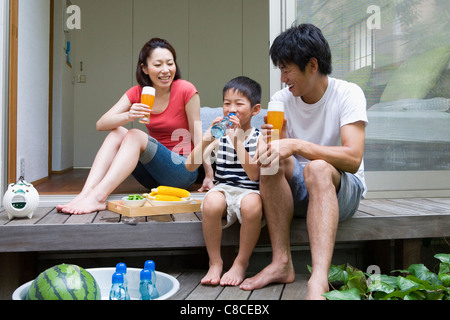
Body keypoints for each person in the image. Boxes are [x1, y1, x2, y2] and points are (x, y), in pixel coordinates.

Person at [240, 24, 368, 300]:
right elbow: (265, 161)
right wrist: (271, 145)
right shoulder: (280, 101)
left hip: (341, 190)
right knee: (272, 160)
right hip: (298, 193)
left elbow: (353, 158)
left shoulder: (348, 94)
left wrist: (297, 145)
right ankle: (281, 262)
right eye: (280, 69)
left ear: (312, 65)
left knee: (318, 168)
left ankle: (318, 278)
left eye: (287, 69)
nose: (283, 77)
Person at [57, 38, 214, 215]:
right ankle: (85, 194)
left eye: (170, 63)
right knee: (118, 132)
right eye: (158, 64)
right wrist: (129, 115)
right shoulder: (138, 92)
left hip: (182, 170)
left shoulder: (185, 89)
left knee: (134, 134)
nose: (165, 70)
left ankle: (98, 197)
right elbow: (101, 124)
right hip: (152, 177)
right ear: (144, 68)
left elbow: (197, 132)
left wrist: (208, 173)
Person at [185, 76, 264, 286]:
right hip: (224, 188)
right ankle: (215, 262)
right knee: (210, 203)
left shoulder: (259, 137)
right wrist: (207, 138)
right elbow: (190, 166)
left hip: (250, 191)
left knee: (252, 206)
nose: (232, 109)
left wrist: (237, 139)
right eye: (227, 103)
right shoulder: (219, 135)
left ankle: (240, 263)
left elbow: (255, 175)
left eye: (239, 104)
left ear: (255, 110)